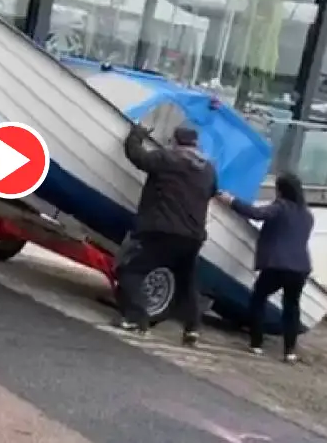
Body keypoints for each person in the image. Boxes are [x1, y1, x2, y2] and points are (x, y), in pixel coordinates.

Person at [116, 124, 218, 346]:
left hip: (163, 231)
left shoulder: (167, 158)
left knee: (131, 271)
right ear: (196, 144)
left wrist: (136, 134)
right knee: (187, 283)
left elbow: (138, 157)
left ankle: (137, 318)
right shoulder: (209, 169)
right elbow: (212, 191)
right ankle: (192, 329)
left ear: (175, 141)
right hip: (193, 236)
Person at [217, 173, 315, 363]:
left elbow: (257, 214)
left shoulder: (280, 207)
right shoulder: (307, 215)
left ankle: (256, 344)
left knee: (259, 298)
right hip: (301, 267)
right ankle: (289, 352)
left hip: (278, 264)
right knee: (292, 307)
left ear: (281, 190)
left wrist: (231, 201)